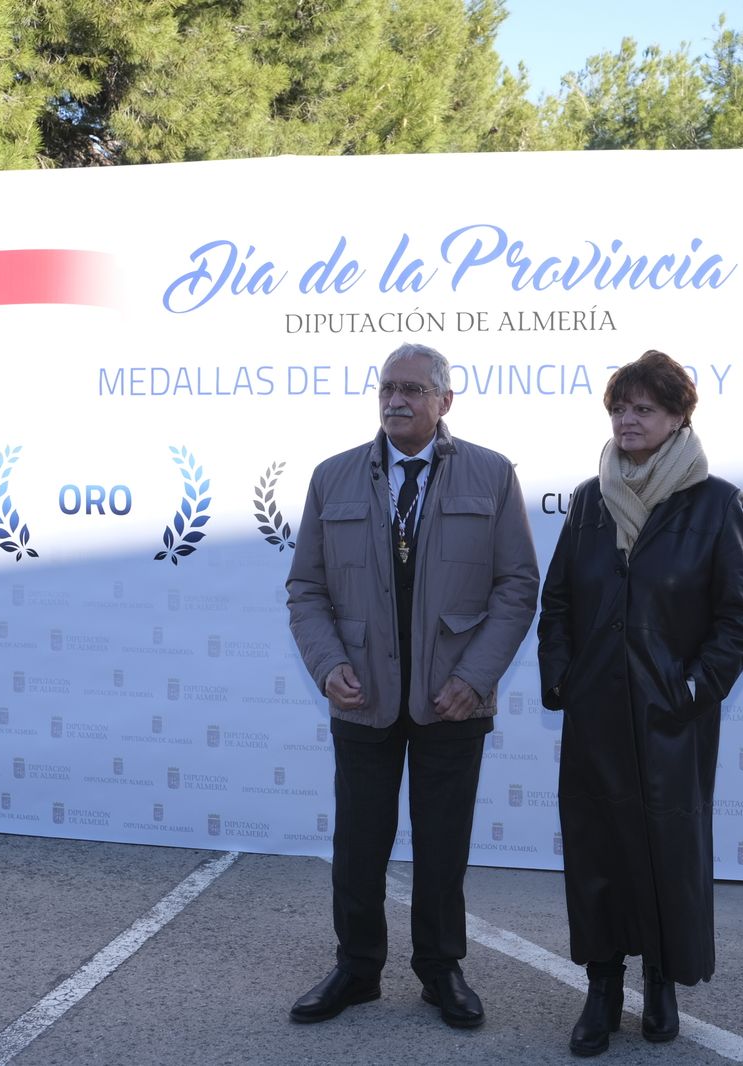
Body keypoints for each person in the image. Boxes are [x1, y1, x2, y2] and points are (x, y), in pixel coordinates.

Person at [285, 341, 539, 1029]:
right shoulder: (332, 477)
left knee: (443, 846)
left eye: (413, 390)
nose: (396, 400)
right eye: (387, 388)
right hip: (362, 694)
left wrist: (474, 678)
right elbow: (306, 589)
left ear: (445, 401)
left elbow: (517, 586)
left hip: (451, 699)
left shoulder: (492, 474)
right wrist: (327, 665)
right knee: (357, 845)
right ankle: (357, 968)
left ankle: (440, 969)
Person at [537, 350, 743, 1056]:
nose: (627, 420)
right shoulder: (588, 500)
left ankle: (661, 982)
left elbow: (738, 619)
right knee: (596, 854)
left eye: (644, 409)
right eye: (619, 408)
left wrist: (691, 690)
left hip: (671, 722)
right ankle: (602, 988)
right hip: (596, 716)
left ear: (677, 418)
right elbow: (558, 601)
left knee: (667, 855)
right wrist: (563, 680)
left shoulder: (715, 502)